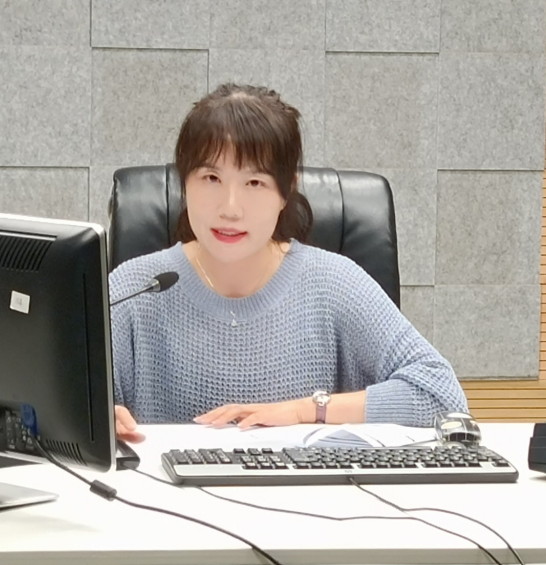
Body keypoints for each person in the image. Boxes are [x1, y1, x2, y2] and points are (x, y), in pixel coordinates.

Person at [107, 83, 467, 443]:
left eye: (254, 182)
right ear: (185, 183)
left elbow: (442, 396)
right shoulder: (132, 289)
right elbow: (75, 403)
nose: (230, 208)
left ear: (285, 192)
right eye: (211, 178)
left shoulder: (333, 283)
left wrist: (306, 410)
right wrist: (96, 418)